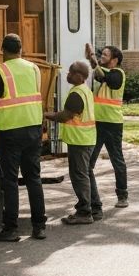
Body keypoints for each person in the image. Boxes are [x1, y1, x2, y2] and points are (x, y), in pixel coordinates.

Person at [0, 32, 47, 241]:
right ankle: (39, 226)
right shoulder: (34, 69)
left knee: (10, 180)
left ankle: (11, 229)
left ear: (3, 50)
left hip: (11, 133)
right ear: (21, 49)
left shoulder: (0, 71)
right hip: (34, 129)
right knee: (34, 178)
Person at [45, 59, 97, 225]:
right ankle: (95, 208)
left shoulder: (77, 94)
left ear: (79, 76)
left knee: (79, 176)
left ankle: (84, 212)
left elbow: (65, 116)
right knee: (86, 174)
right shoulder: (84, 90)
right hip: (86, 139)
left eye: (70, 72)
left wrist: (46, 115)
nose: (67, 74)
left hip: (80, 141)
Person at [86, 42, 129, 209]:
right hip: (97, 123)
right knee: (89, 163)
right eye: (101, 54)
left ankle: (122, 194)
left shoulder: (118, 74)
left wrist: (92, 59)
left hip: (112, 124)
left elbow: (110, 81)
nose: (101, 57)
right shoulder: (99, 73)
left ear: (114, 60)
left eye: (105, 55)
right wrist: (91, 60)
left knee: (117, 160)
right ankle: (91, 199)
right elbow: (97, 74)